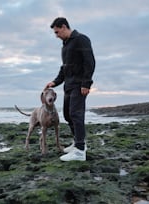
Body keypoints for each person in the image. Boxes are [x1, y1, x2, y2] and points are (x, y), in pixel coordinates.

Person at [45, 17, 95, 161]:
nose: (56, 35)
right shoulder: (65, 45)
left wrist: (86, 83)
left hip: (80, 85)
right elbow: (64, 68)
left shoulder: (81, 39)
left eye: (57, 32)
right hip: (69, 86)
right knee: (68, 115)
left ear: (64, 27)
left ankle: (80, 152)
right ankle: (78, 143)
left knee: (76, 114)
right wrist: (55, 82)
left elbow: (90, 61)